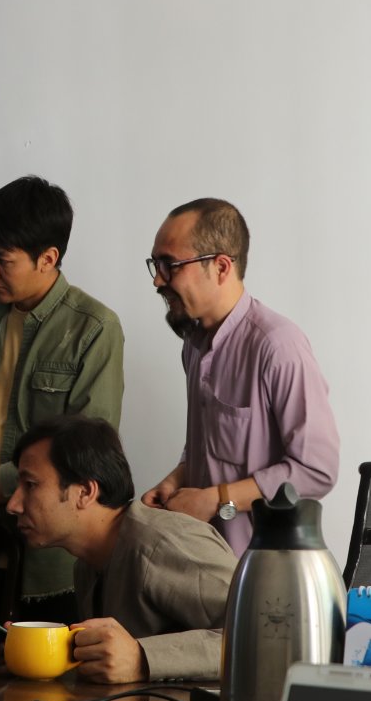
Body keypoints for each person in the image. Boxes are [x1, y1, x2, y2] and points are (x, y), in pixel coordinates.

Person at [0, 175, 124, 624]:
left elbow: (83, 456)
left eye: (1, 259)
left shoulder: (95, 329)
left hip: (52, 562)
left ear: (48, 258)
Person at [141, 198, 339, 556]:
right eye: (155, 264)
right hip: (203, 562)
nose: (157, 279)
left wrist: (218, 501)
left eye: (170, 264)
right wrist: (178, 479)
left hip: (264, 576)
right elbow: (217, 448)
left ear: (220, 267)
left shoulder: (278, 346)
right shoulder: (194, 345)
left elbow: (317, 469)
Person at [6, 415, 237, 682]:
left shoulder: (163, 542)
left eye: (30, 485)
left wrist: (143, 658)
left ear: (85, 492)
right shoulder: (86, 563)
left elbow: (267, 638)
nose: (13, 504)